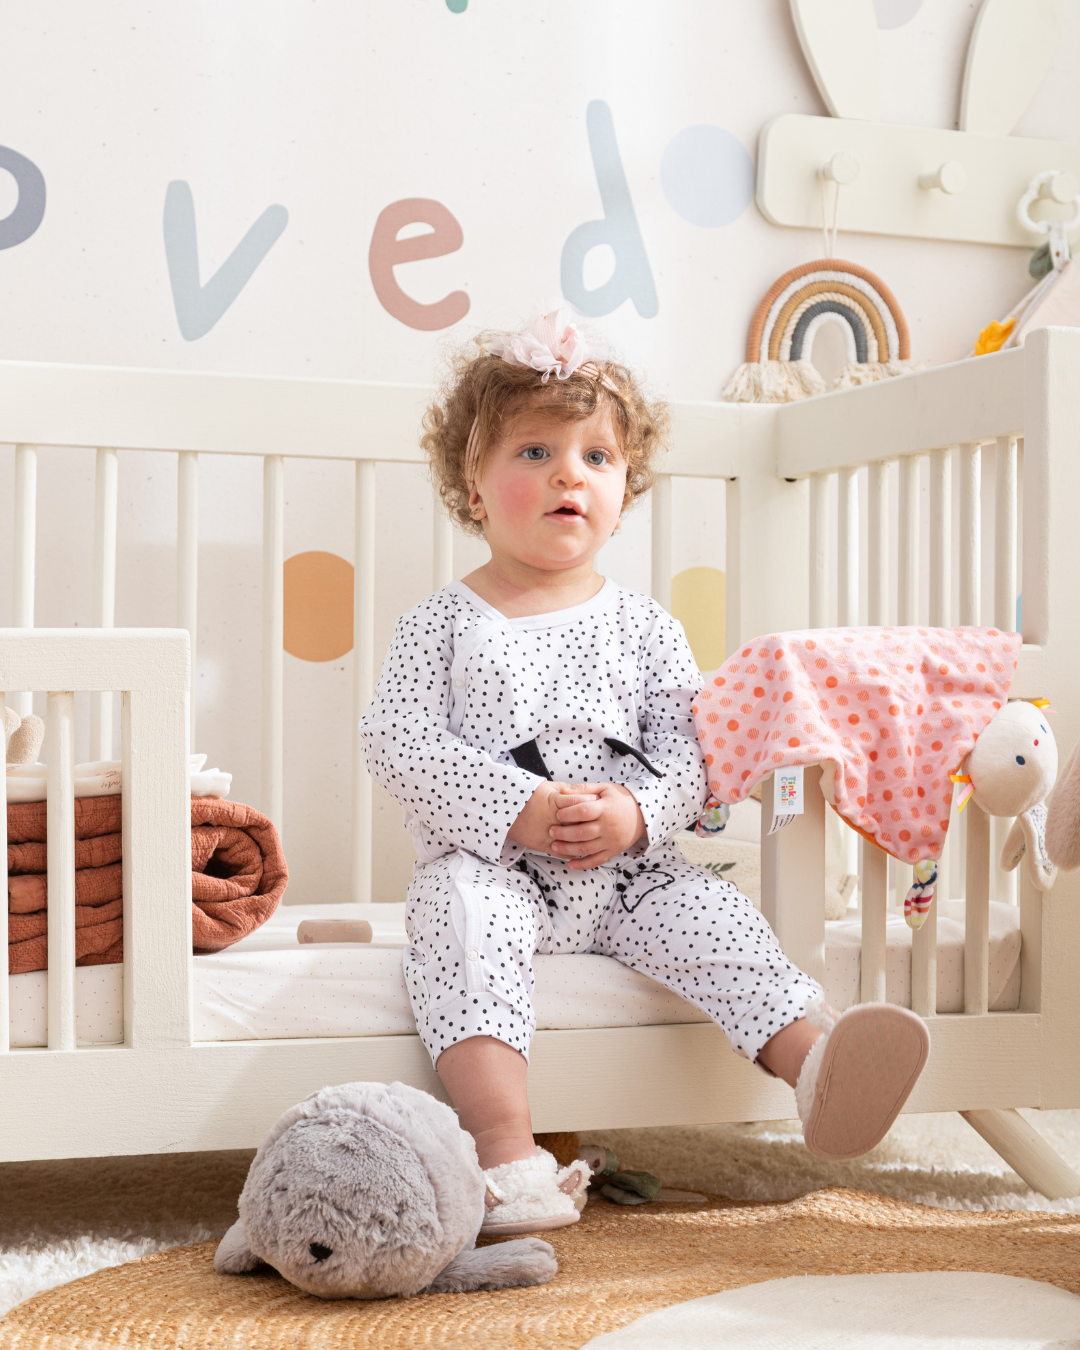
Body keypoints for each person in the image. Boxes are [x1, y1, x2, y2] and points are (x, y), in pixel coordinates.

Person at [360, 308, 928, 1234]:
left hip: (631, 875)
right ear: (473, 484)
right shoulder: (443, 624)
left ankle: (817, 1064)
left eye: (596, 457)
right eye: (535, 452)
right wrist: (518, 808)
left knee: (717, 917)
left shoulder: (646, 627)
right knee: (460, 923)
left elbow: (692, 754)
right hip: (497, 867)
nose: (569, 475)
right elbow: (398, 741)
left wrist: (636, 812)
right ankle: (506, 1155)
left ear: (624, 490)